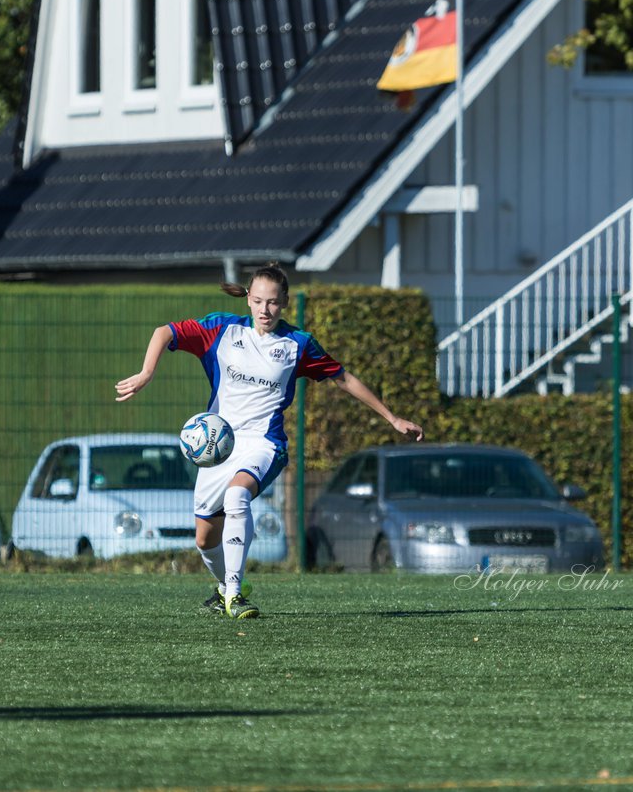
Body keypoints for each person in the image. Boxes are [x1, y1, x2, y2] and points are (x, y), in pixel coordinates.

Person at [115, 263, 423, 618]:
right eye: (259, 301)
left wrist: (392, 417)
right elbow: (164, 331)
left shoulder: (298, 344)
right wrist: (146, 372)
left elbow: (343, 378)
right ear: (247, 298)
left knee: (237, 494)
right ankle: (228, 586)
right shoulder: (222, 329)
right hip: (219, 448)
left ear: (285, 303)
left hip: (264, 444)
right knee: (203, 540)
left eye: (273, 303)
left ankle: (234, 595)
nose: (265, 310)